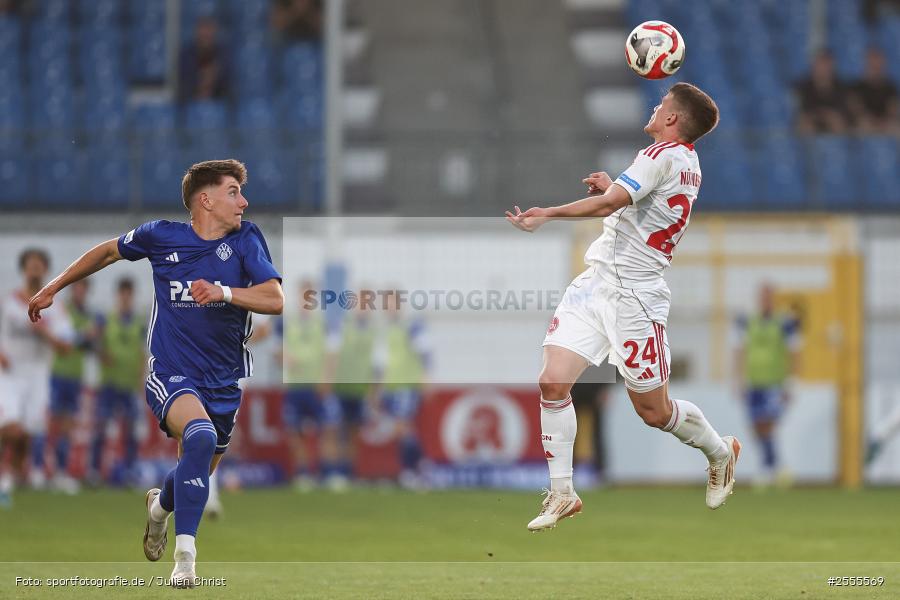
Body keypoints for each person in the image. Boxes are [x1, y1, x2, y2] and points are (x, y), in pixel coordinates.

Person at [27, 160, 283, 587]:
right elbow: (109, 251)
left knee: (196, 463)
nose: (244, 201)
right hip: (171, 371)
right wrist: (54, 286)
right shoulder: (160, 236)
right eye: (234, 191)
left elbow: (274, 299)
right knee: (198, 437)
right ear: (206, 199)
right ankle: (186, 560)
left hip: (224, 381)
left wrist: (222, 292)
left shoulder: (246, 240)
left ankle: (158, 509)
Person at [506, 82, 739, 532]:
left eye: (662, 105)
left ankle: (719, 451)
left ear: (673, 119)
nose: (655, 109)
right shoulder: (685, 162)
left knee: (655, 412)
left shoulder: (660, 156)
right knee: (552, 382)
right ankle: (562, 492)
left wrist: (547, 213)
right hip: (596, 283)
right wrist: (614, 188)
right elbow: (642, 214)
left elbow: (613, 205)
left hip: (635, 296)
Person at [0, 249, 73, 507]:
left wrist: (45, 333)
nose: (34, 270)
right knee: (11, 428)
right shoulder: (9, 302)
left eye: (39, 266)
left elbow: (66, 348)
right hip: (9, 374)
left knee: (27, 436)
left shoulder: (56, 308)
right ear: (23, 269)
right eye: (30, 266)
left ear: (45, 270)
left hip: (38, 376)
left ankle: (7, 482)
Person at [279, 280, 343, 491]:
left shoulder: (323, 323)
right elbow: (274, 349)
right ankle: (303, 474)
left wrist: (327, 378)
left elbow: (332, 353)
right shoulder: (287, 322)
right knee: (295, 432)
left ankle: (330, 473)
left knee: (328, 428)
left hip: (317, 385)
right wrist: (285, 358)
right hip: (295, 386)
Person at [734, 284, 801, 486]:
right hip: (753, 381)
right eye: (763, 297)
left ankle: (767, 467)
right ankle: (777, 466)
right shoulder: (748, 322)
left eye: (769, 297)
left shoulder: (785, 323)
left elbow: (794, 352)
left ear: (774, 299)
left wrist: (792, 382)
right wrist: (739, 378)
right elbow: (740, 350)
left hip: (774, 382)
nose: (765, 300)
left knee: (767, 422)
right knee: (756, 425)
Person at [89, 278, 146, 486]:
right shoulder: (106, 318)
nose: (125, 297)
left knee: (131, 430)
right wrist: (102, 354)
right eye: (123, 293)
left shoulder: (139, 321)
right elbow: (92, 341)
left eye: (129, 294)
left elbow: (143, 353)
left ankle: (130, 471)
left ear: (132, 295)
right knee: (101, 426)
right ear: (118, 295)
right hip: (109, 383)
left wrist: (142, 380)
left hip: (129, 384)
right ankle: (95, 471)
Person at [373, 290, 430, 489]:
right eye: (386, 304)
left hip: (406, 384)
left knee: (402, 426)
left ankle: (415, 469)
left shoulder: (411, 326)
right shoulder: (387, 329)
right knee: (403, 429)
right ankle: (417, 469)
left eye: (391, 303)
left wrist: (425, 378)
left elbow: (425, 353)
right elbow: (383, 362)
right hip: (391, 386)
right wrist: (379, 388)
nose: (388, 307)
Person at [48, 278, 96, 494]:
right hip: (58, 373)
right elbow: (63, 340)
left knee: (67, 426)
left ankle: (60, 472)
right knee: (51, 424)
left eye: (84, 290)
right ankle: (41, 469)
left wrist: (87, 338)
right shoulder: (62, 310)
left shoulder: (89, 315)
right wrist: (84, 336)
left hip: (75, 376)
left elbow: (90, 344)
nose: (80, 293)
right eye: (78, 289)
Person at [327, 296, 377, 482]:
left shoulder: (374, 331)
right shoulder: (342, 326)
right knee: (335, 428)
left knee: (354, 432)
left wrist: (373, 389)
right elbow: (332, 355)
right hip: (340, 387)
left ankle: (348, 472)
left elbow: (376, 363)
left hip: (360, 389)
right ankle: (333, 472)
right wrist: (329, 381)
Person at [795, 50, 851, 135]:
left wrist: (829, 116)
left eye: (827, 65)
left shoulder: (841, 87)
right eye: (821, 65)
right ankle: (808, 147)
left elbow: (842, 112)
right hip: (812, 119)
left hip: (833, 122)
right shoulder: (804, 87)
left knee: (838, 123)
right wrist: (822, 114)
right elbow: (804, 111)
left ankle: (837, 147)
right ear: (814, 67)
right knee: (806, 125)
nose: (824, 69)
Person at [178, 17, 230, 103]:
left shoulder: (223, 54)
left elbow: (227, 81)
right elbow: (184, 82)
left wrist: (213, 77)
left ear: (214, 31)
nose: (206, 34)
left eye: (209, 30)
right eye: (203, 30)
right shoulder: (186, 55)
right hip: (192, 101)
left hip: (218, 101)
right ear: (197, 32)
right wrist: (201, 80)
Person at [848, 48, 898, 134]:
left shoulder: (890, 87)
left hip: (886, 123)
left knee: (896, 127)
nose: (875, 66)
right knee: (862, 125)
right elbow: (856, 108)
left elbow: (893, 108)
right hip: (865, 122)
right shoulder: (857, 86)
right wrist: (871, 120)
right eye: (872, 63)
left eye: (877, 63)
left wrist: (884, 121)